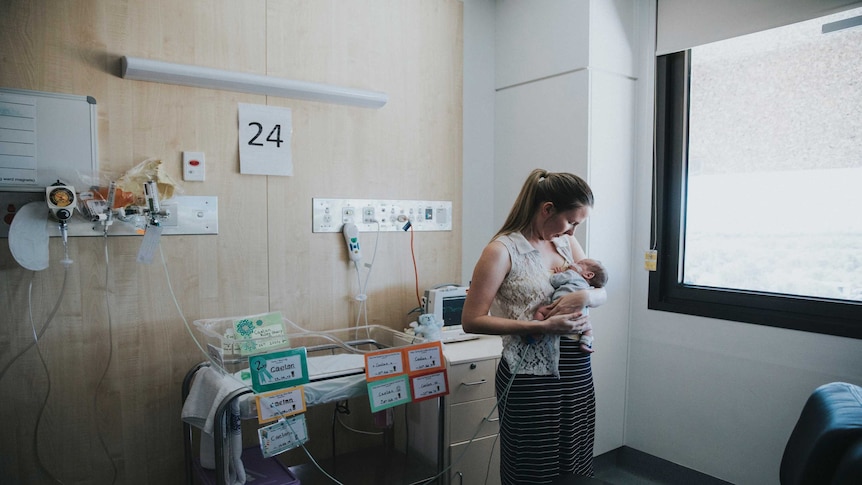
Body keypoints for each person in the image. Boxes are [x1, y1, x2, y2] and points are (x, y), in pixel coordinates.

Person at [461, 169, 607, 484]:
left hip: (576, 367)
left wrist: (586, 296)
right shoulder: (501, 251)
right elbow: (471, 319)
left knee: (575, 461)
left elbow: (600, 289)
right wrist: (540, 327)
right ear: (547, 209)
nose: (573, 231)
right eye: (571, 221)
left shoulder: (567, 244)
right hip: (529, 374)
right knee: (532, 466)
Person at [534, 257, 608, 354]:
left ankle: (535, 333)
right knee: (588, 327)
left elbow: (554, 281)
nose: (574, 262)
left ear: (588, 274)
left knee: (541, 311)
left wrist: (559, 274)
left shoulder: (572, 275)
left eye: (580, 263)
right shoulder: (589, 288)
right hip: (579, 319)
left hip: (558, 312)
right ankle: (585, 343)